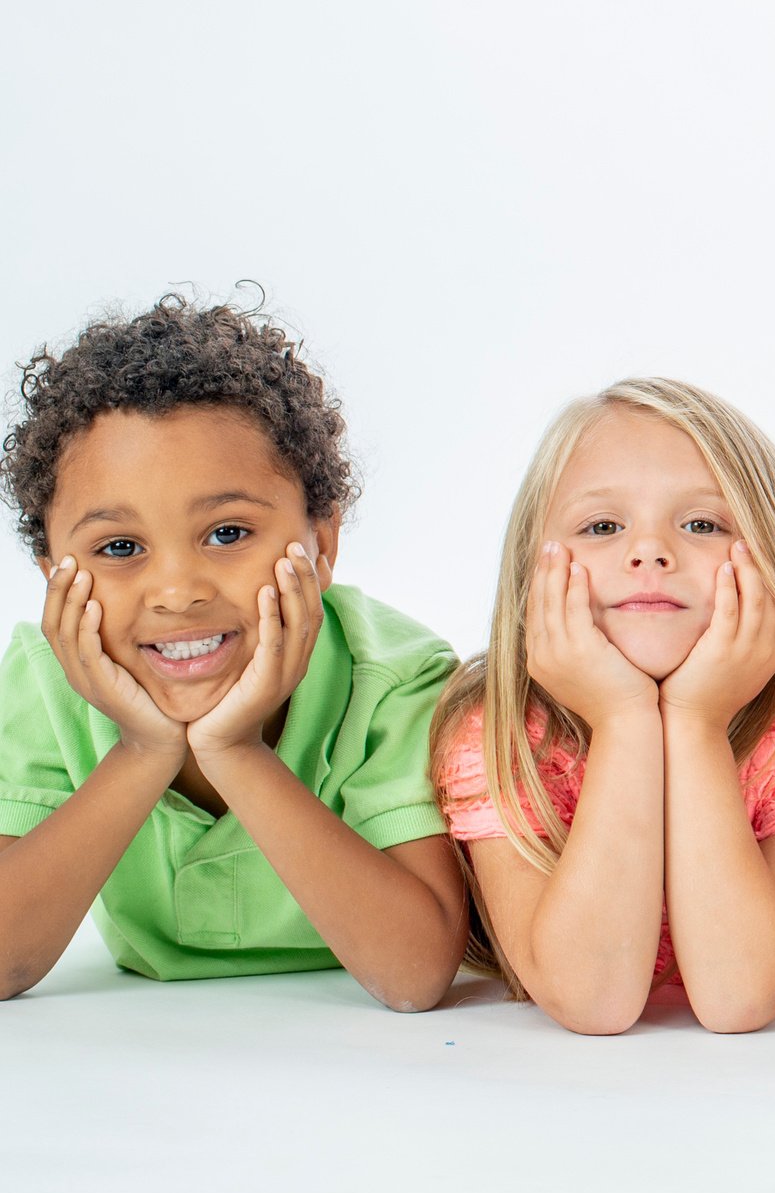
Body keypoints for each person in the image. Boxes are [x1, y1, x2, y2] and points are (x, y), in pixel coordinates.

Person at [0, 295, 466, 1009]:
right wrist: (141, 752)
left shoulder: (397, 681)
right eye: (119, 548)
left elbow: (414, 977)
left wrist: (236, 750)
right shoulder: (45, 679)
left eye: (226, 533)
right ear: (52, 575)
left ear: (323, 542)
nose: (177, 592)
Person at [431, 377, 775, 1034]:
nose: (649, 552)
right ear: (533, 571)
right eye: (602, 526)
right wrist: (623, 719)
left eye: (701, 524)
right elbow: (592, 1002)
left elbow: (739, 997)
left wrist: (695, 723)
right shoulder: (496, 733)